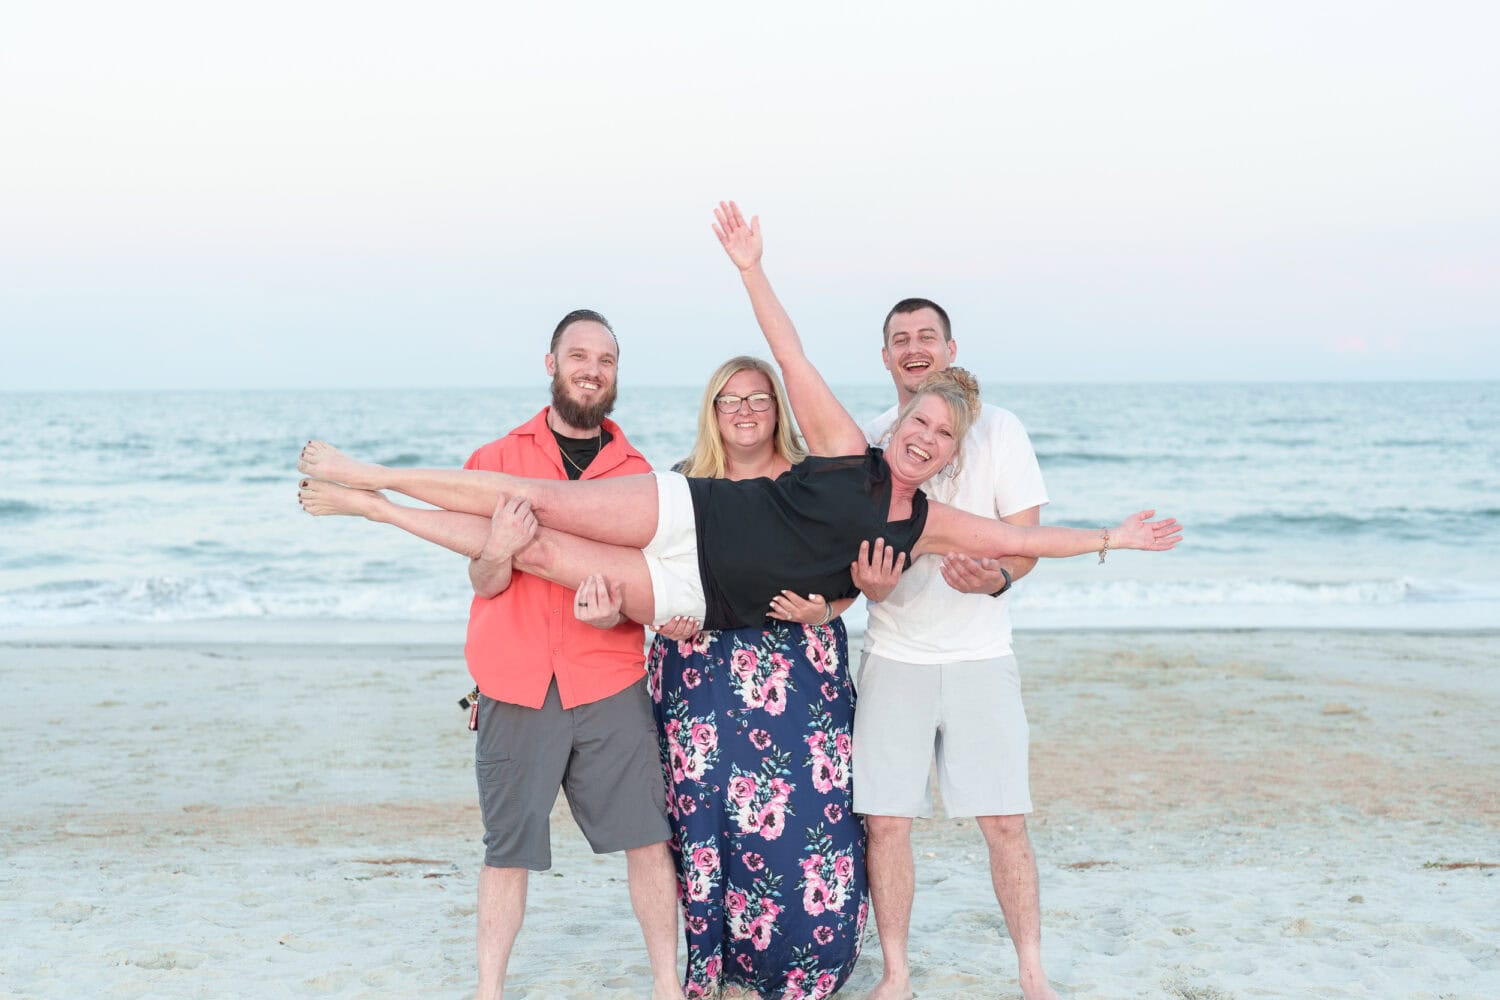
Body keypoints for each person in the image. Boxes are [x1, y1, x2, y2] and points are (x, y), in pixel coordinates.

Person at [294, 203, 1180, 638]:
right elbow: (788, 353)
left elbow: (1027, 541)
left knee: (528, 549)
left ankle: (372, 510)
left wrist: (1113, 537)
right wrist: (752, 267)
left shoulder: (928, 524)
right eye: (919, 420)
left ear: (951, 450)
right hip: (691, 513)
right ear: (903, 414)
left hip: (699, 598)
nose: (924, 437)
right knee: (535, 499)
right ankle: (368, 473)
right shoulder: (846, 447)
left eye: (942, 436)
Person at [437, 309, 684, 1000]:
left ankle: (667, 984)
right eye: (579, 355)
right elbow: (481, 582)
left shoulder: (639, 478)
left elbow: (646, 594)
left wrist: (616, 612)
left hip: (608, 680)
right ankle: (489, 990)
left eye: (605, 360)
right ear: (551, 364)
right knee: (505, 850)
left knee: (648, 839)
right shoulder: (493, 463)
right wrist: (498, 550)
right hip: (514, 682)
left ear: (614, 376)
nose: (591, 369)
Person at [850, 298, 1056, 1000]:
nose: (914, 348)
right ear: (885, 357)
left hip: (980, 657)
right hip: (894, 655)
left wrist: (995, 578)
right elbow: (854, 569)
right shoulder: (870, 443)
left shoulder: (1000, 430)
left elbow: (1024, 544)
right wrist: (869, 587)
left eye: (926, 337)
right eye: (900, 339)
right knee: (886, 823)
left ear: (949, 348)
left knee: (1003, 821)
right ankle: (897, 976)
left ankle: (1032, 973)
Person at [644, 356, 869, 998]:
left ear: (779, 408)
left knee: (807, 820)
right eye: (729, 399)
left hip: (801, 670)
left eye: (758, 398)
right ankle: (714, 967)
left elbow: (855, 571)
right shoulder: (682, 484)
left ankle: (807, 965)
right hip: (701, 672)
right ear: (712, 411)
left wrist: (826, 608)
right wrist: (663, 619)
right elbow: (648, 576)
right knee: (708, 822)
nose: (744, 410)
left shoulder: (810, 482)